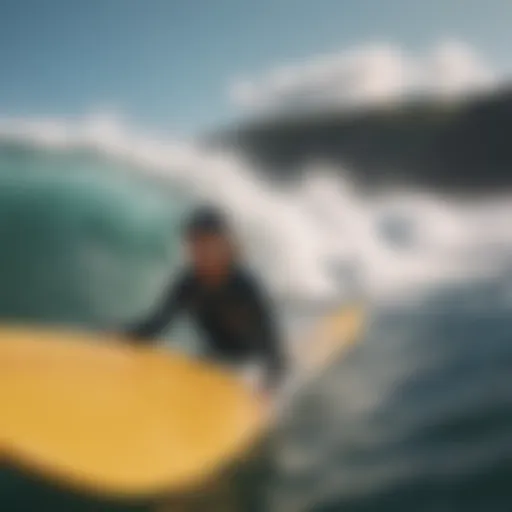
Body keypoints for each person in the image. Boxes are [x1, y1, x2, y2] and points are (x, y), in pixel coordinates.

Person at [125, 205, 285, 397]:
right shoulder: (189, 283)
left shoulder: (244, 287)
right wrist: (123, 336)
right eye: (195, 244)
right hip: (214, 361)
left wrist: (268, 387)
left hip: (250, 367)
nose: (201, 252)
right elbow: (156, 324)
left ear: (225, 244)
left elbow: (273, 349)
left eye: (208, 243)